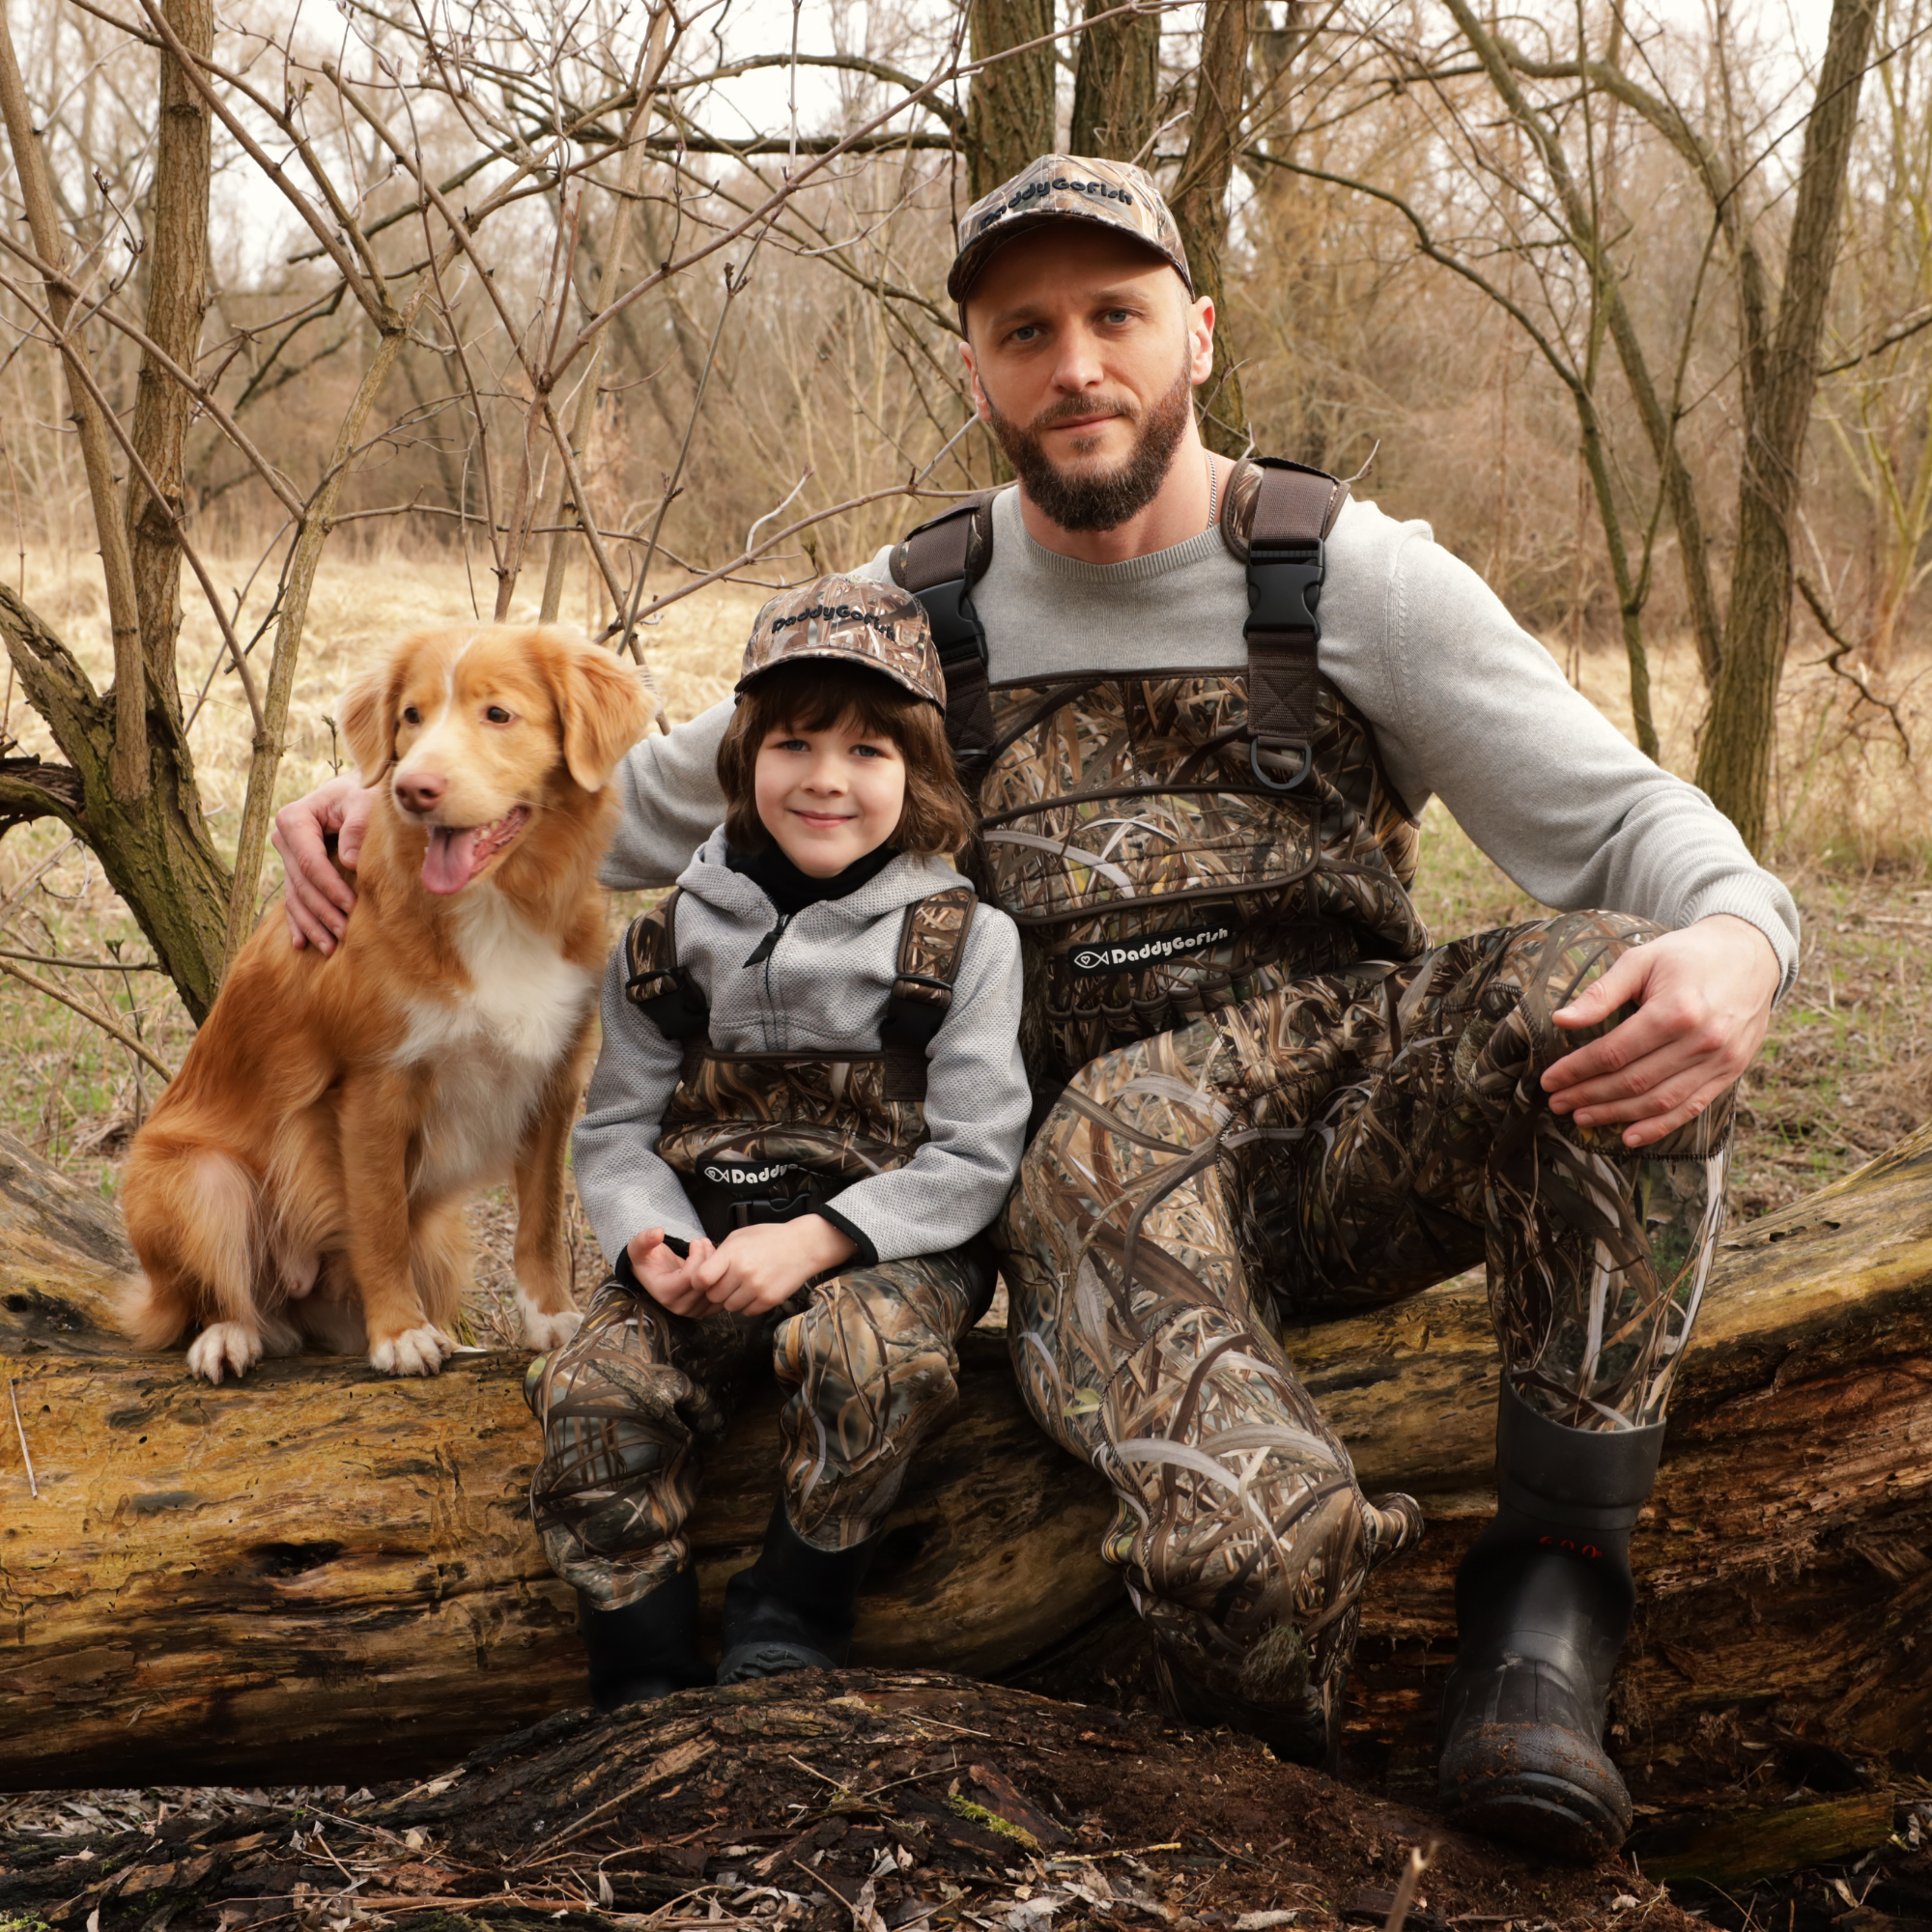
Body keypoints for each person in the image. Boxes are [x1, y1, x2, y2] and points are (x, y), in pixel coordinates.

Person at [274, 156, 1796, 1860]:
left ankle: (1559, 1588)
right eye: (1027, 330)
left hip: (1337, 1136)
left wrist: (1741, 933)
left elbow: (1628, 823)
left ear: (1195, 334)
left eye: (1116, 316)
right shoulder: (911, 608)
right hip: (1075, 1186)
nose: (1077, 362)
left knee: (1601, 977)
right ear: (981, 370)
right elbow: (607, 805)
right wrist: (370, 814)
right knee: (1245, 1559)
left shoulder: (1348, 574)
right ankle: (1288, 1825)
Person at [522, 576, 1029, 1704]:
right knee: (591, 1389)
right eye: (795, 741)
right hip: (700, 1241)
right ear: (745, 756)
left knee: (869, 1359)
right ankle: (639, 1668)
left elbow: (976, 1155)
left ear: (920, 770)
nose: (827, 780)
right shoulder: (664, 938)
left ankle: (790, 1616)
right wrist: (646, 1235)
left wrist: (815, 1242)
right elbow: (614, 1131)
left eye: (868, 751)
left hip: (882, 1247)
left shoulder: (966, 940)